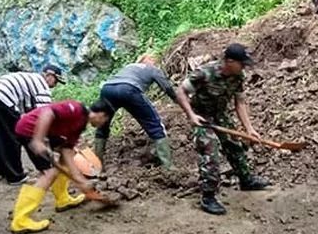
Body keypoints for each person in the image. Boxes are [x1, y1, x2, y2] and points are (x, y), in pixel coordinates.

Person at [175, 43, 269, 215]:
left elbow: (240, 102)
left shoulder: (238, 76)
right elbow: (180, 91)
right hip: (202, 117)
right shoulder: (205, 73)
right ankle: (208, 197)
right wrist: (191, 115)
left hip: (220, 115)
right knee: (210, 152)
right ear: (230, 61)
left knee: (234, 145)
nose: (244, 68)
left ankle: (246, 180)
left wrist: (249, 129)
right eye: (242, 64)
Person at [9, 99, 114, 234]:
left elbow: (67, 151)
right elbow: (47, 113)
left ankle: (62, 200)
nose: (102, 125)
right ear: (102, 115)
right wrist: (38, 139)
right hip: (30, 129)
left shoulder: (80, 125)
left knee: (67, 156)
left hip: (49, 134)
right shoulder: (76, 109)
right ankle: (20, 221)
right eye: (104, 122)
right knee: (48, 174)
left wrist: (79, 179)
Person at [0, 65, 65, 185]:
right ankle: (16, 177)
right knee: (14, 138)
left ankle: (5, 171)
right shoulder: (42, 86)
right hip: (2, 98)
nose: (54, 85)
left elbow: (27, 113)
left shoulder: (30, 79)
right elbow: (43, 118)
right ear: (48, 75)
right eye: (56, 81)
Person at [94, 54, 177, 169]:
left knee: (102, 126)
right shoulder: (151, 69)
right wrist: (178, 100)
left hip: (107, 89)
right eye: (152, 59)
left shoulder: (129, 67)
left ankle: (97, 165)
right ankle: (168, 167)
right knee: (155, 125)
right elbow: (167, 87)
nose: (154, 61)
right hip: (129, 89)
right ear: (143, 60)